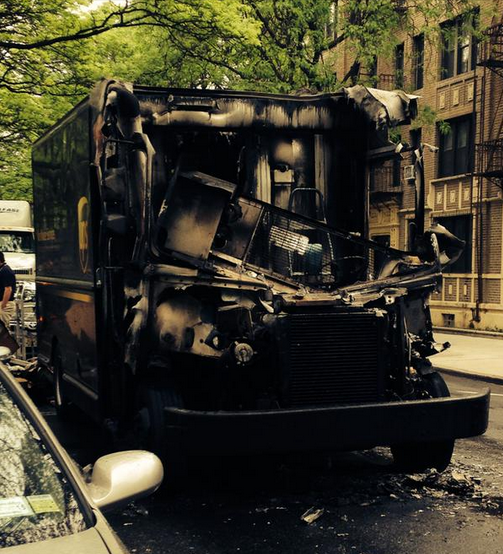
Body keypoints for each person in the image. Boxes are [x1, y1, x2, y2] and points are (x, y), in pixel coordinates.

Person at [0, 252, 16, 328]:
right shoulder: (2, 270)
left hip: (5, 304)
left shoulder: (5, 271)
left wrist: (3, 305)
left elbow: (8, 289)